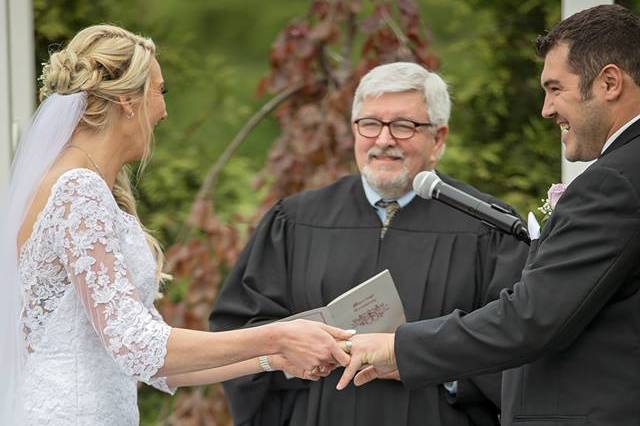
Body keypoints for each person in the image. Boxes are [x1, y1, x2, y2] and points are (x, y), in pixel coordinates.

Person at [0, 24, 356, 426]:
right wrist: (277, 335)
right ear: (128, 101)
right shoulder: (78, 189)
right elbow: (137, 345)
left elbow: (160, 365)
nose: (164, 110)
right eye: (159, 90)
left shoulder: (81, 187)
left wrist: (272, 357)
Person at [337, 5, 640, 425]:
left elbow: (531, 318)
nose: (546, 109)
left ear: (609, 82)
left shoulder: (615, 182)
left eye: (555, 88)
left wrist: (397, 349)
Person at [210, 62, 529, 426]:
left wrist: (434, 365)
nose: (383, 140)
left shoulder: (487, 227)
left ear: (438, 138)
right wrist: (294, 359)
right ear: (354, 130)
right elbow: (237, 332)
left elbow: (516, 342)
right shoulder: (296, 220)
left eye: (404, 126)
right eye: (370, 123)